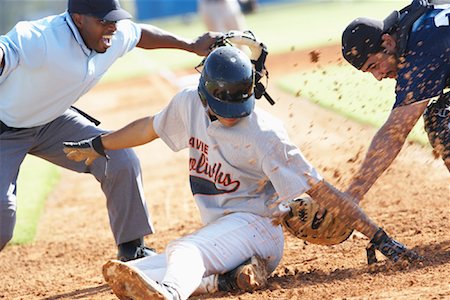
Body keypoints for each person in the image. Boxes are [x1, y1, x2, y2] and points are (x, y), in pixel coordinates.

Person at [64, 46, 421, 300]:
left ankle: (171, 294)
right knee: (141, 272)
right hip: (224, 230)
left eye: (240, 104)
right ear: (205, 94)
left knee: (183, 251)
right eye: (224, 106)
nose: (234, 114)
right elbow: (149, 128)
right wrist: (99, 144)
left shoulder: (264, 134)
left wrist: (377, 235)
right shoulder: (187, 103)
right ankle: (224, 282)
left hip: (259, 227)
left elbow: (319, 188)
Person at [0, 0, 220, 261]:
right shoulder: (42, 38)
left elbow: (139, 34)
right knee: (3, 212)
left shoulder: (112, 34)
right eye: (103, 20)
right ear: (78, 18)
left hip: (52, 121)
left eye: (114, 19)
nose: (112, 27)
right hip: (6, 129)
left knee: (118, 157)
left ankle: (132, 249)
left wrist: (191, 45)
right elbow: (7, 47)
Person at [341, 0, 449, 204]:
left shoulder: (419, 53)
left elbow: (394, 134)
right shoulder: (415, 20)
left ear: (387, 42)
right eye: (369, 71)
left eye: (374, 65)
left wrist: (351, 197)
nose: (378, 76)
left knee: (445, 125)